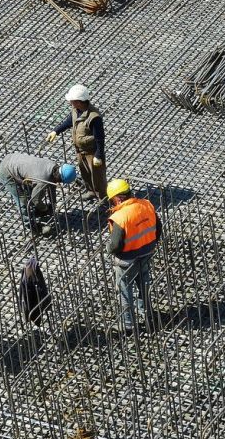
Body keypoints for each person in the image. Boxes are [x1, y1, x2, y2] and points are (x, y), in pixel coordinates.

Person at [106, 179, 162, 333]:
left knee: (125, 289)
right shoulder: (146, 204)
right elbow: (158, 228)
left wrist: (108, 248)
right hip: (147, 252)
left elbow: (115, 245)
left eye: (112, 201)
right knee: (144, 284)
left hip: (127, 259)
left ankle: (128, 324)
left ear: (117, 198)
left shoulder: (120, 217)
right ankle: (148, 315)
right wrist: (148, 244)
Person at [47, 84, 107, 201]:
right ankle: (91, 191)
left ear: (80, 101)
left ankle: (102, 197)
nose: (70, 103)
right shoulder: (76, 110)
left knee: (97, 176)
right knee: (85, 173)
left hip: (92, 152)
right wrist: (56, 131)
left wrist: (98, 155)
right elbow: (69, 122)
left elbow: (100, 137)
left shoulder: (94, 117)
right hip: (80, 151)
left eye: (72, 101)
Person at [0, 152, 76, 235]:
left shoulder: (53, 167)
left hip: (13, 158)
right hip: (7, 171)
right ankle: (32, 226)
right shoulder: (42, 180)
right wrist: (44, 208)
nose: (59, 182)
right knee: (24, 200)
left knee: (34, 192)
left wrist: (53, 203)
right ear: (59, 176)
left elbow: (52, 185)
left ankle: (35, 212)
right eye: (60, 181)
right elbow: (35, 199)